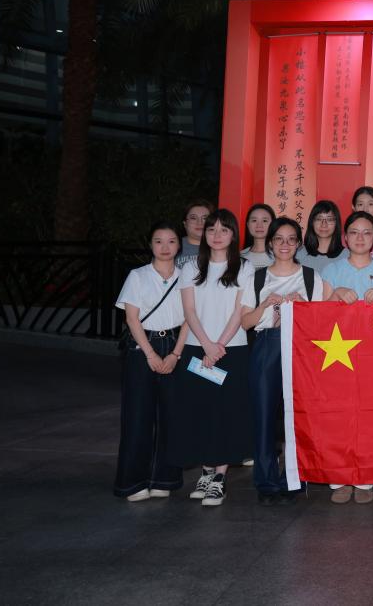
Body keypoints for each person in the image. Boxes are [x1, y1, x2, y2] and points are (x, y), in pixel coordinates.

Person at [240, 218, 329, 505]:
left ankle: (294, 479)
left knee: (297, 416)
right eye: (279, 238)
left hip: (300, 348)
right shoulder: (256, 278)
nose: (285, 244)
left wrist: (301, 306)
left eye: (291, 239)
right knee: (264, 415)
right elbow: (245, 322)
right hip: (266, 344)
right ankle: (266, 481)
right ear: (270, 243)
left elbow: (322, 320)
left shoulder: (311, 277)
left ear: (299, 244)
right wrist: (266, 304)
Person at [171, 209, 254, 508]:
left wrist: (218, 345)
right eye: (211, 229)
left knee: (226, 413)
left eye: (224, 229)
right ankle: (205, 472)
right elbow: (189, 311)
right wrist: (206, 345)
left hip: (232, 349)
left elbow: (240, 312)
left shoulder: (244, 267)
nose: (217, 235)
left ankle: (219, 477)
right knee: (200, 412)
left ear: (233, 235)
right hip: (197, 349)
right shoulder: (190, 266)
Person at [319, 211, 373, 504]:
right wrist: (335, 294)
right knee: (340, 416)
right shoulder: (331, 271)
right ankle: (340, 477)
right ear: (345, 238)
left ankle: (365, 477)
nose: (360, 238)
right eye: (354, 232)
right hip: (339, 356)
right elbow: (320, 316)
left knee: (370, 417)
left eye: (366, 233)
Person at [114, 221, 188, 501]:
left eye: (171, 241)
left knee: (171, 416)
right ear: (150, 245)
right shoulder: (138, 276)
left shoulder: (187, 277)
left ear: (179, 245)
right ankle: (132, 483)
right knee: (137, 415)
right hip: (142, 345)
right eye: (158, 241)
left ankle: (164, 479)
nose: (165, 247)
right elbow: (131, 318)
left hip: (175, 344)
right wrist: (150, 353)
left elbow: (190, 318)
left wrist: (175, 354)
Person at [297, 199, 345, 272]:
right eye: (319, 219)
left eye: (329, 219)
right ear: (312, 222)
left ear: (336, 223)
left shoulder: (347, 256)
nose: (324, 224)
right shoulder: (298, 254)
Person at [176, 199, 214, 267]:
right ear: (185, 223)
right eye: (193, 218)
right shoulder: (173, 245)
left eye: (205, 218)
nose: (199, 223)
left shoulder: (220, 247)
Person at [241, 203, 276, 268]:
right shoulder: (240, 257)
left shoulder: (280, 255)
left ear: (273, 224)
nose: (259, 225)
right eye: (254, 220)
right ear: (248, 225)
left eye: (264, 221)